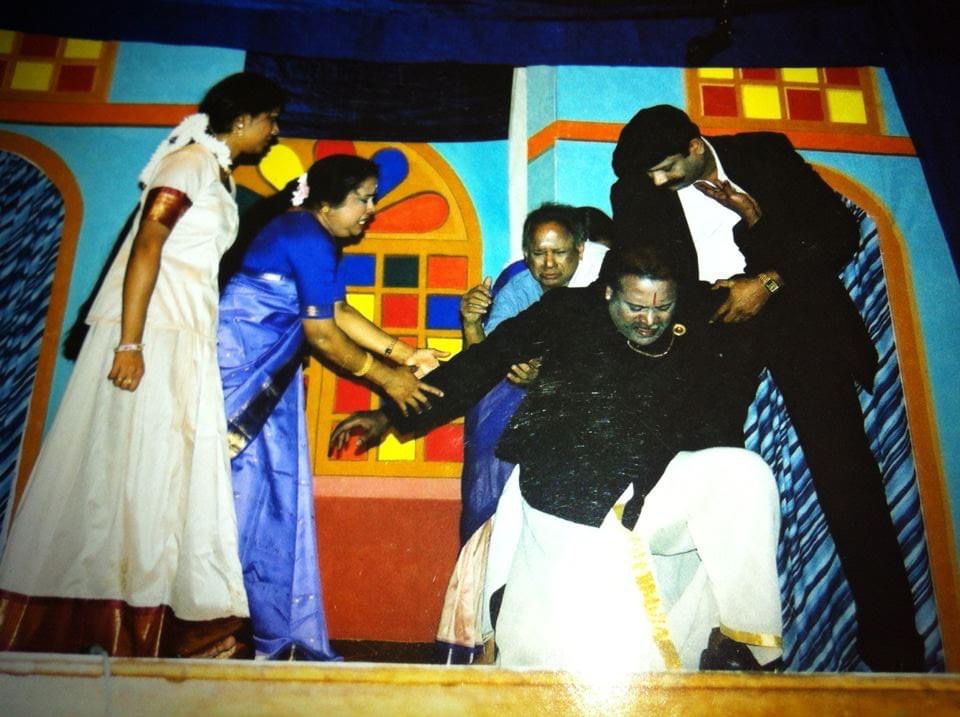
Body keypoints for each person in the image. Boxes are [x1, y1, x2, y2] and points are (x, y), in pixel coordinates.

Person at [331, 243, 783, 672]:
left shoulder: (699, 315)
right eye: (635, 307)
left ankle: (741, 641)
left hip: (653, 483)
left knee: (746, 473)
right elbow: (483, 362)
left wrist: (770, 280)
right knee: (587, 657)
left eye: (662, 308)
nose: (649, 320)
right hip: (567, 492)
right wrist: (390, 416)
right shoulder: (568, 310)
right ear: (607, 292)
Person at [609, 104, 924, 672]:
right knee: (705, 477)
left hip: (794, 313)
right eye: (647, 174)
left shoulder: (763, 155)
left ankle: (895, 647)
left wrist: (766, 272)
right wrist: (717, 298)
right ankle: (712, 642)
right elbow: (640, 270)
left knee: (846, 473)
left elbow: (838, 233)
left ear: (696, 146)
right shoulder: (634, 191)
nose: (655, 182)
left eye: (666, 168)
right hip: (711, 327)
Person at [0, 72, 284, 658]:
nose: (274, 132)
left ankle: (166, 624)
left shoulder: (218, 173)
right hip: (154, 330)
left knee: (167, 471)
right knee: (138, 469)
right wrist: (130, 344)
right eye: (270, 120)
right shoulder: (188, 163)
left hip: (186, 332)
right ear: (242, 119)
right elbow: (147, 243)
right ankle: (119, 626)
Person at [217, 155, 444, 661]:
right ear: (325, 203)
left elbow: (338, 311)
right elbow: (321, 335)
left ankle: (255, 629)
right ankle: (213, 626)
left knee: (268, 499)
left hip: (267, 384)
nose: (371, 209)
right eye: (363, 198)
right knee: (233, 500)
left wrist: (406, 354)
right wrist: (388, 378)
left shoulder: (313, 235)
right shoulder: (306, 236)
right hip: (236, 377)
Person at [436, 203, 607, 662]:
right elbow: (485, 362)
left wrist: (546, 378)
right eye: (537, 253)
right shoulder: (520, 286)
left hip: (575, 428)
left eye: (559, 253)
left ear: (580, 250)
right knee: (495, 516)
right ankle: (486, 640)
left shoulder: (604, 288)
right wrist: (471, 323)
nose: (547, 264)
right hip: (508, 426)